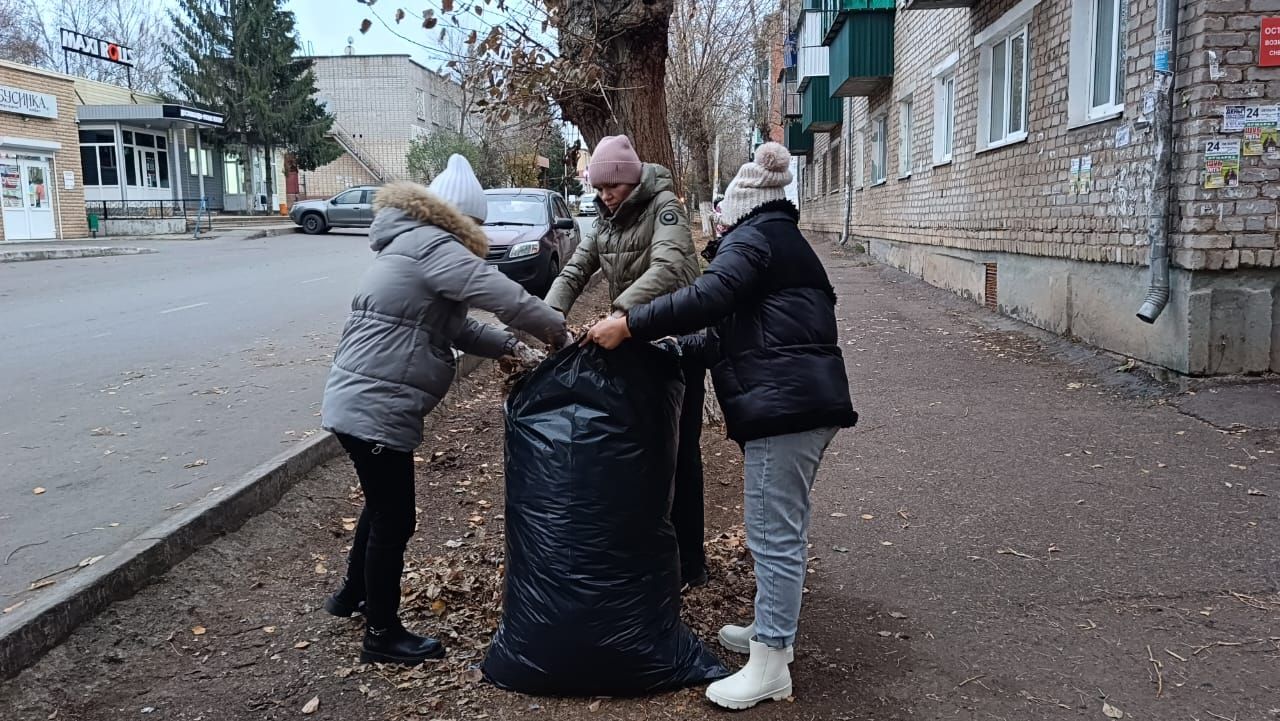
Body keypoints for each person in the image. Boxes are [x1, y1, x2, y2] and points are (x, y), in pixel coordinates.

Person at [584, 142, 857, 710]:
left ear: (738, 208)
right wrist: (667, 349)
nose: (716, 228)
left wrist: (630, 324)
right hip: (801, 401)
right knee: (783, 527)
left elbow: (708, 295)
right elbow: (723, 334)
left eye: (720, 219)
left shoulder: (756, 239)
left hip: (786, 409)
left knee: (771, 534)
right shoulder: (780, 241)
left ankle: (771, 665)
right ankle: (768, 634)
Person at [321, 155, 569, 666]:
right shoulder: (436, 246)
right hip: (377, 403)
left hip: (358, 398)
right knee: (396, 516)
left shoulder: (410, 246)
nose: (479, 232)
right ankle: (382, 634)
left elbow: (454, 327)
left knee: (379, 504)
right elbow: (505, 296)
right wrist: (557, 331)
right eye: (476, 224)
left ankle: (352, 595)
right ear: (460, 219)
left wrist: (508, 347)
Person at [544, 135, 709, 589]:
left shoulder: (664, 208)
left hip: (678, 345)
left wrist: (620, 312)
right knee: (641, 448)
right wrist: (548, 315)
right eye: (597, 189)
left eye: (609, 186)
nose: (603, 195)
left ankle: (690, 561)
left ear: (629, 179)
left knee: (680, 452)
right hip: (637, 343)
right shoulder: (606, 220)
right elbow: (576, 269)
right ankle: (648, 552)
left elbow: (671, 267)